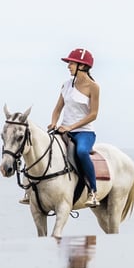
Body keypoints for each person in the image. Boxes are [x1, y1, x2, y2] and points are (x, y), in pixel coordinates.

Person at [50, 47, 102, 206]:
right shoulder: (66, 85)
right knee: (43, 147)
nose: (68, 66)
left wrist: (71, 127)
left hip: (84, 133)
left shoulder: (94, 87)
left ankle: (93, 192)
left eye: (71, 63)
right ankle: (31, 189)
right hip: (64, 129)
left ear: (83, 66)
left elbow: (93, 114)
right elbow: (58, 108)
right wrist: (54, 122)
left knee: (81, 152)